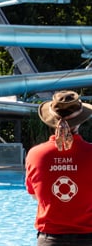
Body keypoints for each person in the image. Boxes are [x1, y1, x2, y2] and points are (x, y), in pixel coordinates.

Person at [25, 90, 92, 246]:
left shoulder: (35, 154)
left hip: (49, 240)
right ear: (81, 120)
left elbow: (35, 196)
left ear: (51, 120)